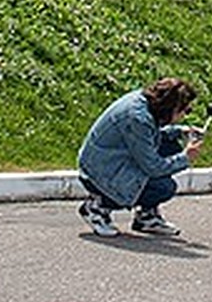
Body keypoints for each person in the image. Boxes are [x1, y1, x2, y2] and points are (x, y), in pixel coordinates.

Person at [77, 77, 204, 237]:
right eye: (185, 110)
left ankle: (147, 216)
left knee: (170, 147)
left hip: (107, 160)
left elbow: (150, 136)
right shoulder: (138, 119)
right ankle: (97, 207)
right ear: (170, 107)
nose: (185, 114)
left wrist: (180, 131)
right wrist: (185, 158)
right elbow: (153, 167)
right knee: (164, 187)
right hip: (99, 172)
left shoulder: (144, 103)